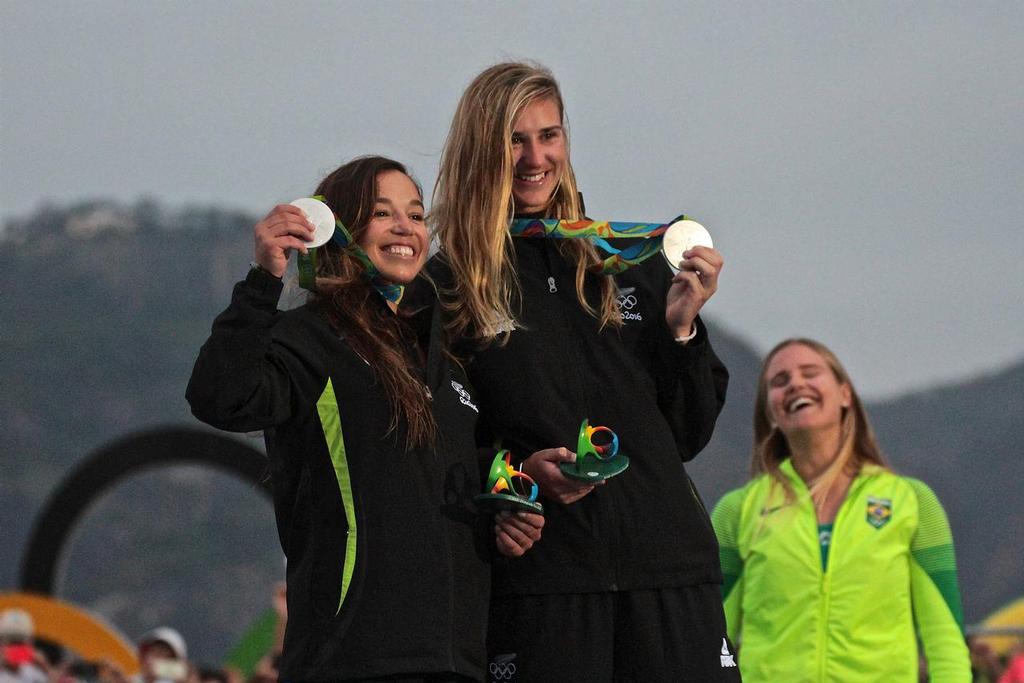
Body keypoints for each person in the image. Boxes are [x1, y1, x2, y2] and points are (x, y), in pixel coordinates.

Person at [427, 62, 735, 681]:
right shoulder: (449, 288)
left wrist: (680, 332)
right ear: (480, 150)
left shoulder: (623, 262)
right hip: (547, 588)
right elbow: (438, 444)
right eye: (514, 139)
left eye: (549, 135)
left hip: (669, 576)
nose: (534, 157)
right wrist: (515, 475)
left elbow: (685, 435)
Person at [186, 155, 543, 682]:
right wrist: (264, 279)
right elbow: (220, 397)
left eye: (417, 215)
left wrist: (506, 509)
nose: (406, 228)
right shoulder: (312, 338)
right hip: (351, 659)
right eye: (383, 213)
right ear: (340, 230)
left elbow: (447, 483)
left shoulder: (452, 361)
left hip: (456, 662)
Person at [711, 338, 971, 682]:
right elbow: (710, 636)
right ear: (771, 412)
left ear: (845, 394)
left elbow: (945, 638)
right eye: (780, 381)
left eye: (810, 373)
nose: (796, 384)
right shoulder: (736, 512)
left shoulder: (913, 502)